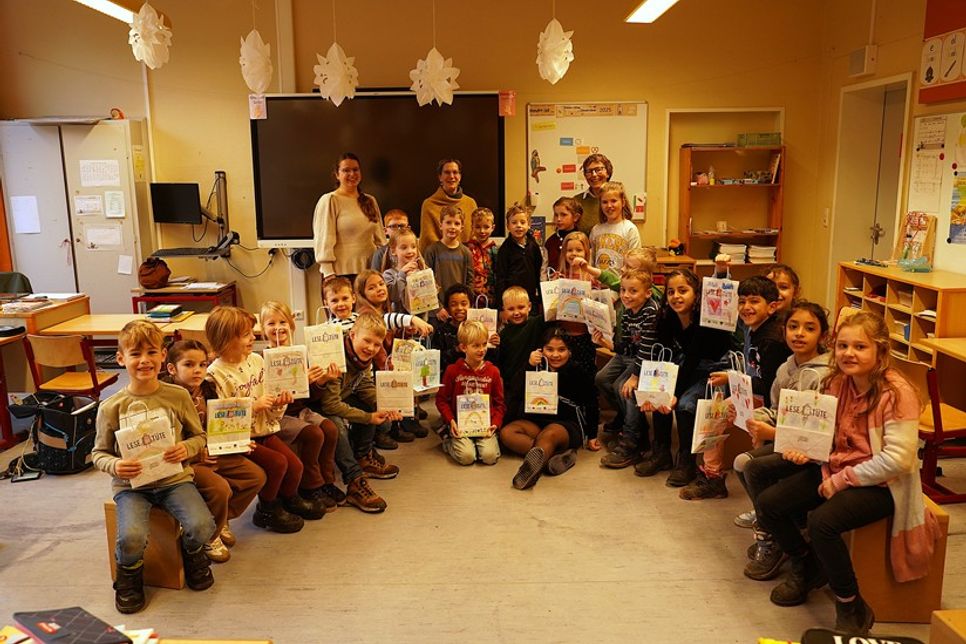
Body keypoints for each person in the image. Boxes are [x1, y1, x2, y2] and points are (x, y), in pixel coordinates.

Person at [756, 311, 939, 636]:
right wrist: (805, 450)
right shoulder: (836, 382)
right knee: (770, 502)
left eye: (860, 347)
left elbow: (897, 460)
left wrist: (841, 480)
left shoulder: (896, 394)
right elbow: (825, 436)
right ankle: (805, 561)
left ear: (880, 352)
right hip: (836, 466)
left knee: (822, 522)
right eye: (842, 346)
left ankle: (851, 605)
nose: (849, 354)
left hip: (882, 483)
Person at [92, 320, 216, 613]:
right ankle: (128, 577)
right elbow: (99, 453)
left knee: (202, 525)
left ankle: (192, 552)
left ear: (163, 355)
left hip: (174, 480)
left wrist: (186, 448)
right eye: (135, 354)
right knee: (131, 538)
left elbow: (200, 436)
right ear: (121, 358)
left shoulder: (178, 396)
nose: (144, 360)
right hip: (132, 487)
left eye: (151, 352)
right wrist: (116, 465)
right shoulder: (111, 406)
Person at [737, 301, 831, 582]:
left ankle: (774, 536)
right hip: (787, 441)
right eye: (793, 327)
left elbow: (816, 430)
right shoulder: (785, 368)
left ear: (823, 336)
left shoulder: (824, 375)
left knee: (755, 469)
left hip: (811, 450)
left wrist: (771, 433)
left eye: (809, 328)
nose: (799, 334)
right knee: (742, 462)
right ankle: (777, 528)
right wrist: (754, 416)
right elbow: (778, 411)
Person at [205, 306, 319, 532]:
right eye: (246, 334)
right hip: (242, 438)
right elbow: (220, 424)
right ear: (227, 339)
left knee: (294, 466)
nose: (253, 337)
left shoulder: (256, 360)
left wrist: (280, 402)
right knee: (278, 463)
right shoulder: (214, 375)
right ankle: (267, 510)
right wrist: (253, 408)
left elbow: (271, 408)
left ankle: (287, 501)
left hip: (265, 429)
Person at [681, 276, 791, 500]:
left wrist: (732, 378)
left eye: (754, 301)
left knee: (722, 418)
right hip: (752, 393)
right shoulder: (753, 327)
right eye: (742, 302)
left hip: (770, 402)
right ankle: (713, 478)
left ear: (772, 306)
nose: (746, 307)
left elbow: (770, 386)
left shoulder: (771, 339)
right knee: (712, 414)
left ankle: (760, 492)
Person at [162, 339, 266, 563]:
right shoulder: (166, 397)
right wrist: (198, 454)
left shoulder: (208, 389)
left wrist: (237, 442)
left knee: (255, 476)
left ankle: (220, 519)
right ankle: (211, 535)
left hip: (212, 450)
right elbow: (167, 443)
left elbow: (220, 424)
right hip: (186, 462)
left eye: (202, 364)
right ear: (172, 369)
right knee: (220, 488)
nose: (197, 370)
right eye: (189, 365)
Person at [636, 269, 734, 486]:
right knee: (659, 396)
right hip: (685, 364)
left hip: (714, 370)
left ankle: (686, 461)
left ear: (696, 293)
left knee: (685, 405)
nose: (676, 296)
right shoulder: (668, 317)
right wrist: (656, 388)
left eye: (683, 290)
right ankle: (661, 453)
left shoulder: (705, 320)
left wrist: (675, 393)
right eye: (671, 292)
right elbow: (663, 353)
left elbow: (693, 357)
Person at [315, 312, 403, 512]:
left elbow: (364, 386)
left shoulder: (363, 358)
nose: (371, 348)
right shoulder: (335, 358)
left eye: (377, 344)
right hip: (318, 405)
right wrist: (368, 417)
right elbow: (330, 405)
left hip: (339, 398)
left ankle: (363, 457)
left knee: (374, 409)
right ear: (352, 335)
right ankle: (355, 480)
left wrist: (386, 404)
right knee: (337, 425)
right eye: (367, 341)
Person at [261, 301, 342, 512]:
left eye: (282, 322)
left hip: (300, 411)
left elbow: (310, 398)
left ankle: (326, 482)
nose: (278, 328)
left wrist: (321, 381)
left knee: (330, 429)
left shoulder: (300, 355)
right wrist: (296, 383)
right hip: (277, 416)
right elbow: (269, 397)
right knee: (313, 434)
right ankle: (310, 485)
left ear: (291, 325)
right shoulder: (262, 360)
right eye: (271, 323)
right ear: (263, 329)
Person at [500, 327, 597, 489]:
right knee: (507, 433)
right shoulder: (534, 367)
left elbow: (592, 402)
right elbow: (515, 390)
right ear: (541, 350)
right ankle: (552, 459)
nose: (555, 355)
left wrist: (592, 435)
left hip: (565, 425)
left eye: (561, 350)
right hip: (535, 421)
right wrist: (529, 366)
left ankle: (530, 472)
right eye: (549, 349)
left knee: (550, 434)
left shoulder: (577, 371)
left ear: (570, 351)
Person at [593, 269, 659, 467]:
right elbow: (630, 344)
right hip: (631, 356)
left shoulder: (651, 311)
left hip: (648, 361)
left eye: (633, 291)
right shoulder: (626, 310)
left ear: (647, 293)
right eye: (623, 290)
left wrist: (635, 376)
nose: (626, 295)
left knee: (625, 388)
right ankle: (631, 420)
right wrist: (609, 344)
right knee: (602, 379)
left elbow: (647, 348)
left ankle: (632, 441)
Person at [435, 320, 504, 466]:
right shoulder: (452, 371)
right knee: (467, 458)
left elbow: (500, 404)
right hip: (460, 424)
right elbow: (441, 400)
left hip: (485, 425)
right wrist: (451, 421)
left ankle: (480, 445)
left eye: (484, 344)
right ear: (463, 347)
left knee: (489, 457)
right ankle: (448, 440)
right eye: (476, 346)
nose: (481, 350)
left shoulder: (493, 372)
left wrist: (495, 424)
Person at [312, 152, 383, 282]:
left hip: (369, 274)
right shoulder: (330, 200)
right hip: (340, 276)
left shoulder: (370, 200)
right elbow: (324, 239)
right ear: (337, 175)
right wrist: (328, 273)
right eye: (346, 170)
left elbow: (381, 240)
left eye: (355, 170)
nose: (352, 174)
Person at [496, 286, 546, 427]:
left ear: (529, 306)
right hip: (512, 384)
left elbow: (552, 312)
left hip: (535, 382)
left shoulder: (536, 324)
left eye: (521, 307)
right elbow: (501, 362)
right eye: (511, 309)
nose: (516, 313)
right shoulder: (503, 334)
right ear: (504, 310)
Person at [419, 158, 478, 252]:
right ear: (440, 177)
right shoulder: (429, 204)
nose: (451, 176)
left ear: (460, 176)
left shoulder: (470, 203)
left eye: (455, 172)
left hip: (467, 259)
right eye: (447, 172)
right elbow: (428, 239)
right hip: (439, 260)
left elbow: (475, 236)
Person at [423, 205, 475, 310]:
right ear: (440, 225)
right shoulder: (431, 251)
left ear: (462, 228)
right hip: (438, 310)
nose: (452, 227)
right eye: (448, 222)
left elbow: (469, 282)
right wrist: (438, 308)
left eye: (456, 223)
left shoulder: (466, 252)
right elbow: (426, 282)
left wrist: (465, 305)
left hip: (459, 309)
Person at [494, 204, 543, 312]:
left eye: (522, 222)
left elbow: (538, 271)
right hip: (511, 298)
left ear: (529, 224)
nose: (518, 226)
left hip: (530, 297)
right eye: (514, 222)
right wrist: (501, 308)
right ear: (508, 226)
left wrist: (541, 299)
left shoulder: (533, 246)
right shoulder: (505, 250)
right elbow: (500, 278)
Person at [590, 181, 641, 273]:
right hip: (599, 285)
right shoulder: (596, 230)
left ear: (623, 202)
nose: (609, 206)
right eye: (605, 202)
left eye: (614, 201)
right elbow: (592, 260)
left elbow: (635, 263)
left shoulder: (630, 229)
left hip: (622, 285)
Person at [574, 153, 613, 236]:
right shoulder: (577, 201)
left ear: (608, 172)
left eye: (598, 169)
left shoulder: (617, 199)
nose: (594, 175)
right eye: (589, 171)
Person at [466, 207, 498, 303]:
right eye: (478, 227)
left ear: (492, 227)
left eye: (486, 227)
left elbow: (498, 274)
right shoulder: (467, 249)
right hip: (471, 298)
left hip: (492, 298)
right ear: (472, 227)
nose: (482, 231)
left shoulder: (495, 250)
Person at [545, 197, 583, 274]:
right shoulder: (550, 241)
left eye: (563, 215)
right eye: (556, 215)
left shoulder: (582, 239)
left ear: (575, 217)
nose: (558, 219)